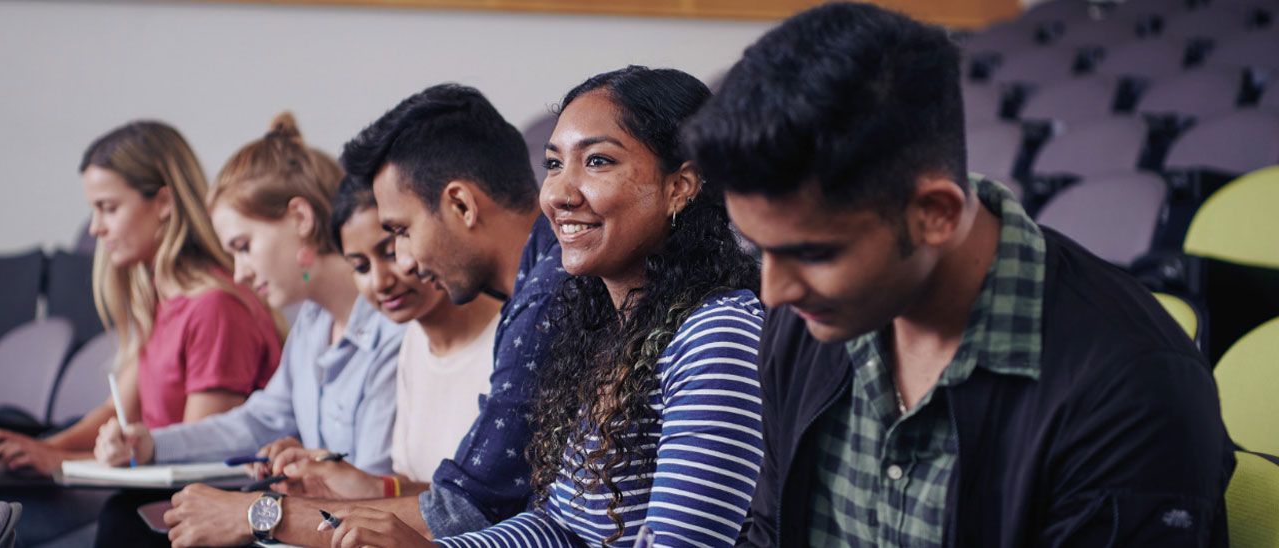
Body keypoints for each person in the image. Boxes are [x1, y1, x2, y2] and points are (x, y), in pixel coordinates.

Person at [682, 3, 1234, 545]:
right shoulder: (804, 319)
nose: (774, 291)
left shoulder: (1132, 394)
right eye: (759, 248)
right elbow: (771, 531)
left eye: (815, 253)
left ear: (935, 214)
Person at [331, 65, 766, 548]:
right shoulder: (602, 328)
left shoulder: (716, 334)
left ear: (680, 186)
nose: (558, 193)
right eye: (555, 164)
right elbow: (557, 526)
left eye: (598, 161)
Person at [158, 84, 569, 548]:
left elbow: (465, 512)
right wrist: (372, 491)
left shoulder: (548, 299)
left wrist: (261, 514)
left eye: (402, 232)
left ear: (461, 205)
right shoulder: (536, 289)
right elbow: (481, 499)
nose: (407, 264)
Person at [89, 114, 405, 545]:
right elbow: (258, 420)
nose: (238, 272)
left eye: (243, 247)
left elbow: (375, 496)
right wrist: (151, 445)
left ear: (300, 218)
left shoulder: (393, 326)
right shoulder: (313, 324)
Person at [0, 120, 282, 476]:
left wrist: (58, 462)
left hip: (176, 511)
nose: (95, 227)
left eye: (108, 208)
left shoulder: (215, 308)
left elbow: (199, 461)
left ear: (164, 202)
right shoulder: (159, 298)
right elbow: (118, 411)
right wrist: (40, 448)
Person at [266, 176, 502, 500]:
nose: (380, 281)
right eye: (360, 267)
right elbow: (423, 491)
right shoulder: (414, 342)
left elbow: (492, 506)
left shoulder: (510, 339)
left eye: (390, 252)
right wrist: (334, 482)